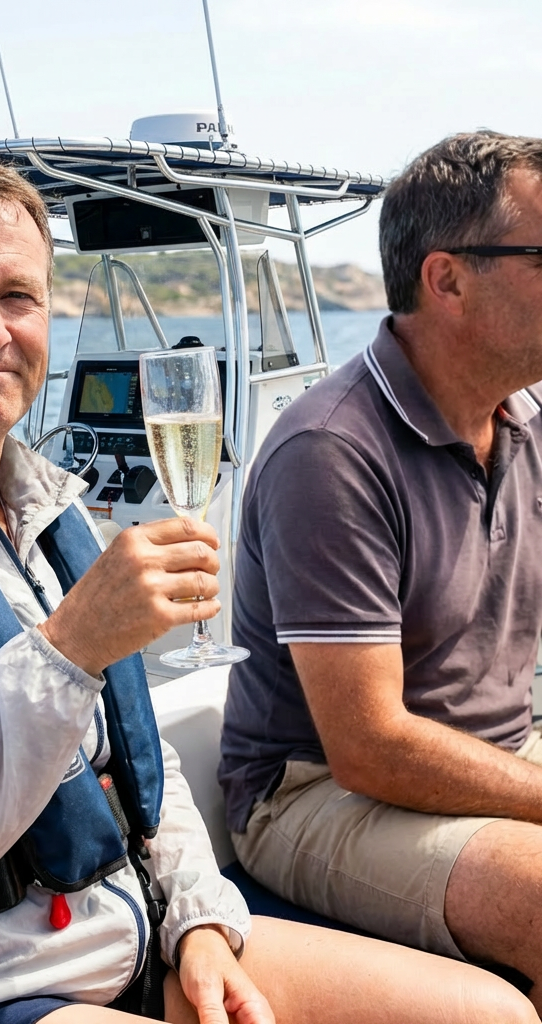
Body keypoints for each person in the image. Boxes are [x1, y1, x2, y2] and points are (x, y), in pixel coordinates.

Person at [0, 155, 535, 1024]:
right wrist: (70, 648)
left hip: (122, 938)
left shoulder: (45, 507)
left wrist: (199, 920)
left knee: (485, 1016)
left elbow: (141, 765)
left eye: (19, 297)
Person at [220, 130, 542, 1011]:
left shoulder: (522, 422)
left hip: (492, 753)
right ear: (447, 280)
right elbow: (368, 746)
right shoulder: (331, 452)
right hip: (313, 792)